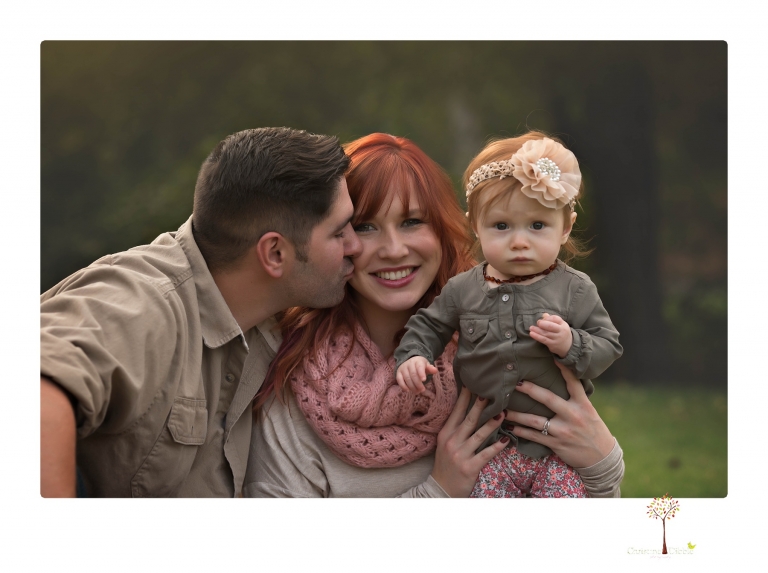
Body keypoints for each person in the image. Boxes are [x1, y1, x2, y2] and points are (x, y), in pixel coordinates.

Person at [244, 133, 624, 498]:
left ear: (444, 227)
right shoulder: (296, 378)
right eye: (366, 226)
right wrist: (438, 492)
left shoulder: (494, 348)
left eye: (412, 222)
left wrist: (602, 462)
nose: (394, 250)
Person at [40, 127, 363, 497]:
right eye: (340, 233)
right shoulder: (144, 305)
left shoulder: (269, 319)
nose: (357, 245)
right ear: (275, 253)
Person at [394, 131, 622, 498]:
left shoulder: (575, 289)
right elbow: (429, 325)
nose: (519, 241)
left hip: (557, 452)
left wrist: (571, 343)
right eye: (501, 226)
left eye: (537, 226)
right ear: (475, 226)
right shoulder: (462, 289)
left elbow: (608, 345)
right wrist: (415, 355)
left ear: (565, 227)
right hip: (488, 450)